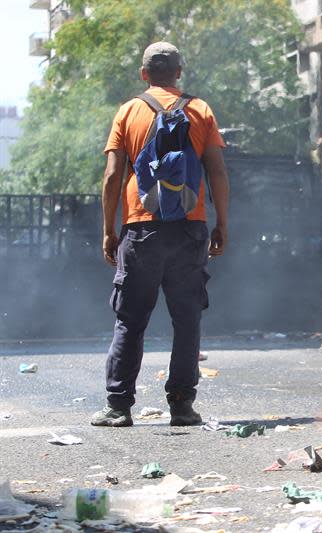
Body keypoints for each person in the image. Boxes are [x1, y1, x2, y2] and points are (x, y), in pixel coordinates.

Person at [92, 42, 230, 427]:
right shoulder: (200, 110)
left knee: (130, 319)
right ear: (179, 73)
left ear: (144, 74)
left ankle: (118, 407)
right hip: (190, 227)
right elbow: (217, 171)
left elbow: (111, 177)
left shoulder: (129, 111)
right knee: (187, 320)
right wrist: (221, 223)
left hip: (141, 227)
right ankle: (182, 406)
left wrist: (109, 229)